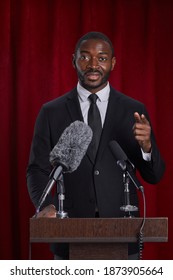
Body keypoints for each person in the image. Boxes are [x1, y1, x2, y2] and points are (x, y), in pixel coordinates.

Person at [27, 31, 165, 259]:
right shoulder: (51, 112)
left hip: (123, 235)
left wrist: (147, 147)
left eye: (101, 58)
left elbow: (154, 176)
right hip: (68, 235)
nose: (93, 65)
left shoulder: (134, 110)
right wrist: (48, 206)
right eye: (85, 57)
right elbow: (37, 170)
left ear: (112, 63)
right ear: (73, 60)